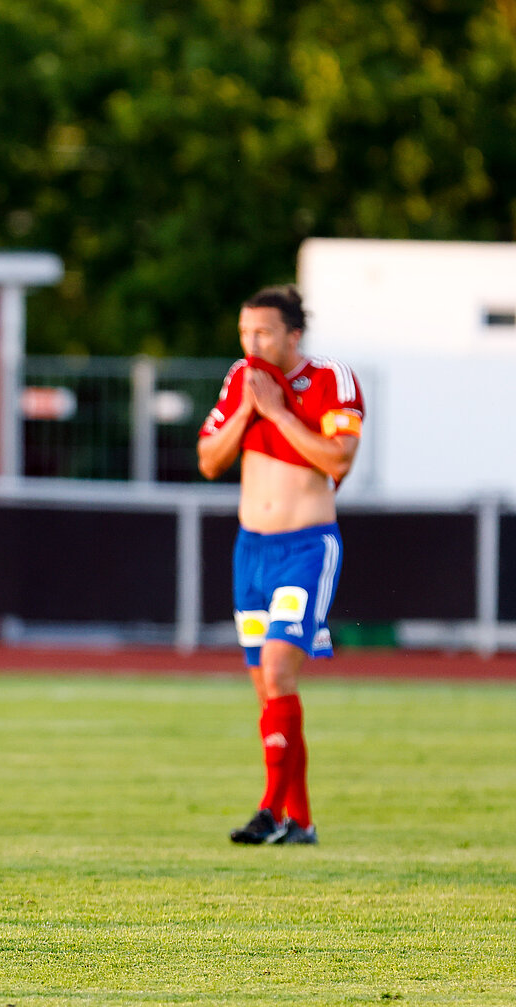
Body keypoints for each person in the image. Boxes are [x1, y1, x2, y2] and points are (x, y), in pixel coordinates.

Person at [197, 286, 362, 846]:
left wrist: (276, 411)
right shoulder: (242, 378)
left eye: (263, 332)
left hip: (306, 546)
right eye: (245, 332)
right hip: (252, 551)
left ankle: (269, 811)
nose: (252, 343)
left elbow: (339, 459)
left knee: (278, 670)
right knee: (269, 690)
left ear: (294, 335)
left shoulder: (330, 380)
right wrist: (247, 406)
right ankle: (302, 822)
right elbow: (209, 460)